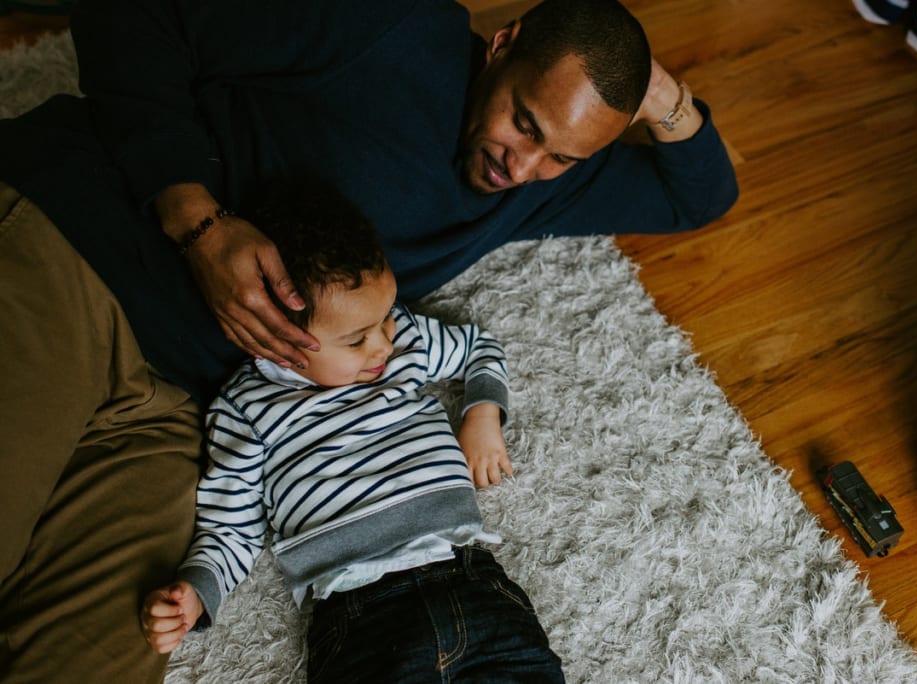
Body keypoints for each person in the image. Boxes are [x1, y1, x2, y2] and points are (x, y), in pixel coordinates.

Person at [0, 0, 736, 680]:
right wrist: (195, 216)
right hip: (82, 250)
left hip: (183, 409)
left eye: (560, 157)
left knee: (95, 656)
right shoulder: (390, 29)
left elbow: (700, 195)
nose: (523, 166)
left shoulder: (546, 178)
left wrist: (654, 92)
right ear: (503, 47)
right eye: (524, 122)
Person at [140, 176, 563, 681]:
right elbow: (231, 526)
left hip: (468, 577)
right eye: (357, 339)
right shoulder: (246, 409)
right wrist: (197, 590)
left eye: (385, 318)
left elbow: (478, 350)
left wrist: (482, 416)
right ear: (275, 335)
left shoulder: (403, 340)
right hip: (360, 611)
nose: (385, 344)